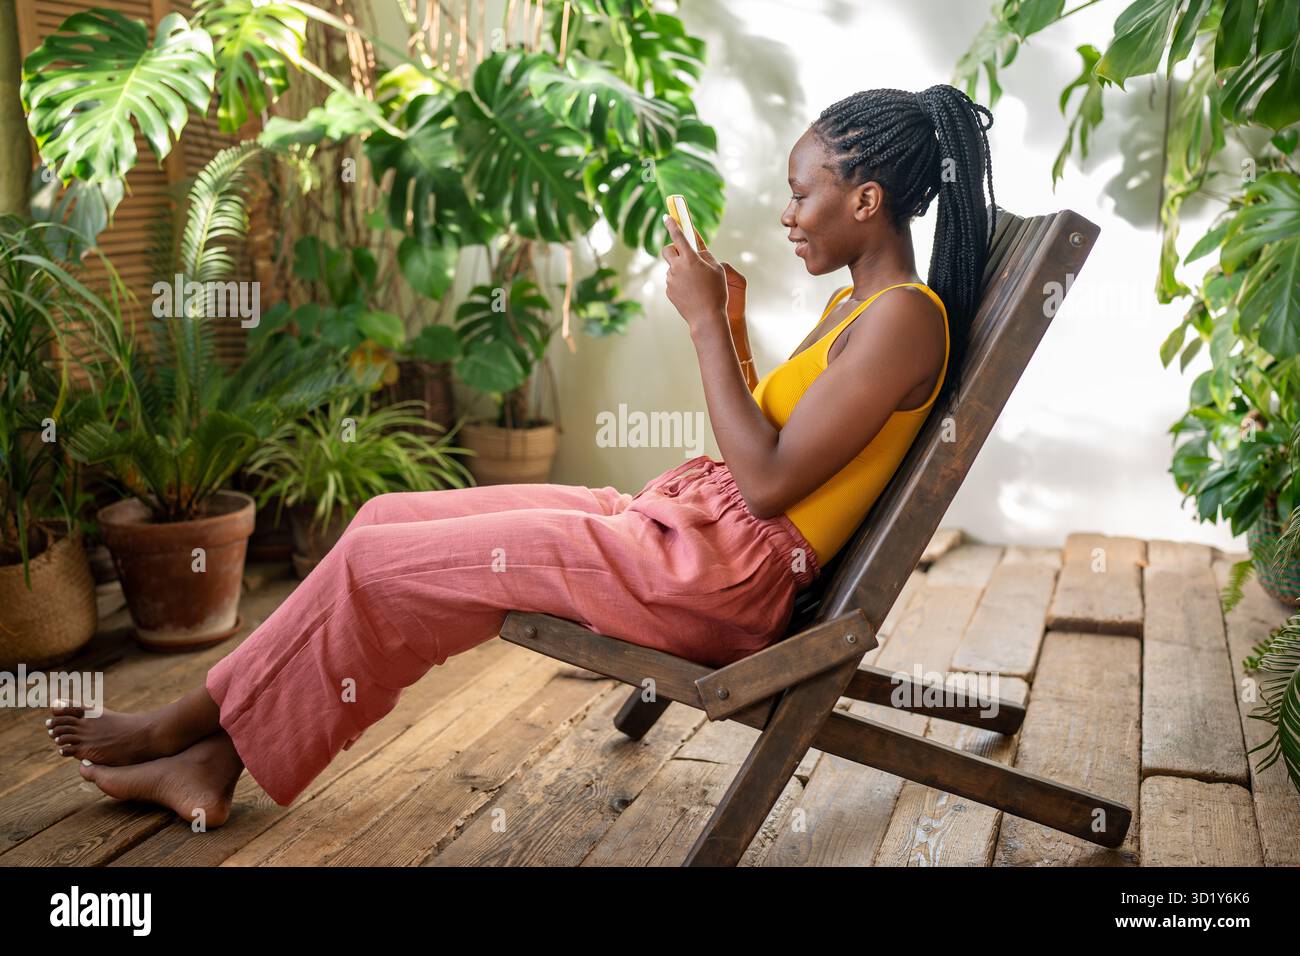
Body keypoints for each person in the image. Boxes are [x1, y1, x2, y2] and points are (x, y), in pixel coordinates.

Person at [44, 85, 995, 827]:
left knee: (379, 564)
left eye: (802, 191)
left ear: (865, 199)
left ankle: (180, 727)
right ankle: (215, 752)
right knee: (383, 523)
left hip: (711, 576)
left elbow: (770, 482)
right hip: (684, 535)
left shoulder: (907, 321)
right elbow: (770, 450)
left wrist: (705, 326)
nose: (788, 212)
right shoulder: (860, 310)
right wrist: (735, 325)